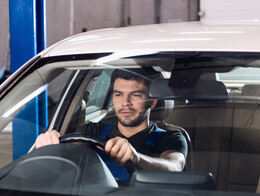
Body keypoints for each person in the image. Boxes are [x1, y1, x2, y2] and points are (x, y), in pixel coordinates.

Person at [35, 68, 187, 181]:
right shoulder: (93, 131)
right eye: (118, 94)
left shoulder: (171, 137)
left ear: (152, 102)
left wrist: (136, 158)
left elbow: (173, 167)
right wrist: (53, 145)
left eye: (135, 95)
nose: (125, 103)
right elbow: (71, 151)